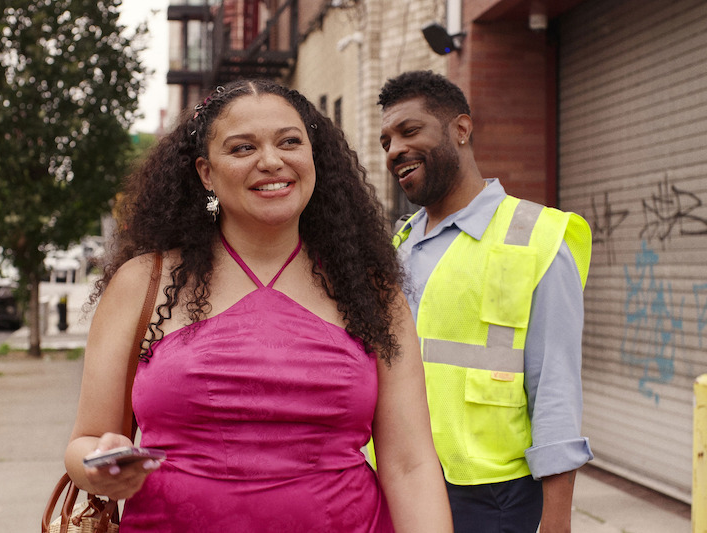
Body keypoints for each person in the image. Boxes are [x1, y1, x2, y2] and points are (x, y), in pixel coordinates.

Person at [64, 78, 453, 532]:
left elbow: (409, 464)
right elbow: (84, 442)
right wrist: (98, 466)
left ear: (313, 157)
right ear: (206, 172)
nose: (272, 161)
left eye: (290, 142)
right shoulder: (143, 283)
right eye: (242, 148)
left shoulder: (370, 291)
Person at [377, 70, 593, 533]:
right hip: (396, 482)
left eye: (410, 131)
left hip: (492, 497)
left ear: (460, 129)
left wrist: (556, 519)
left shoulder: (537, 238)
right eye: (386, 141)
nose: (395, 150)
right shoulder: (398, 246)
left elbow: (554, 388)